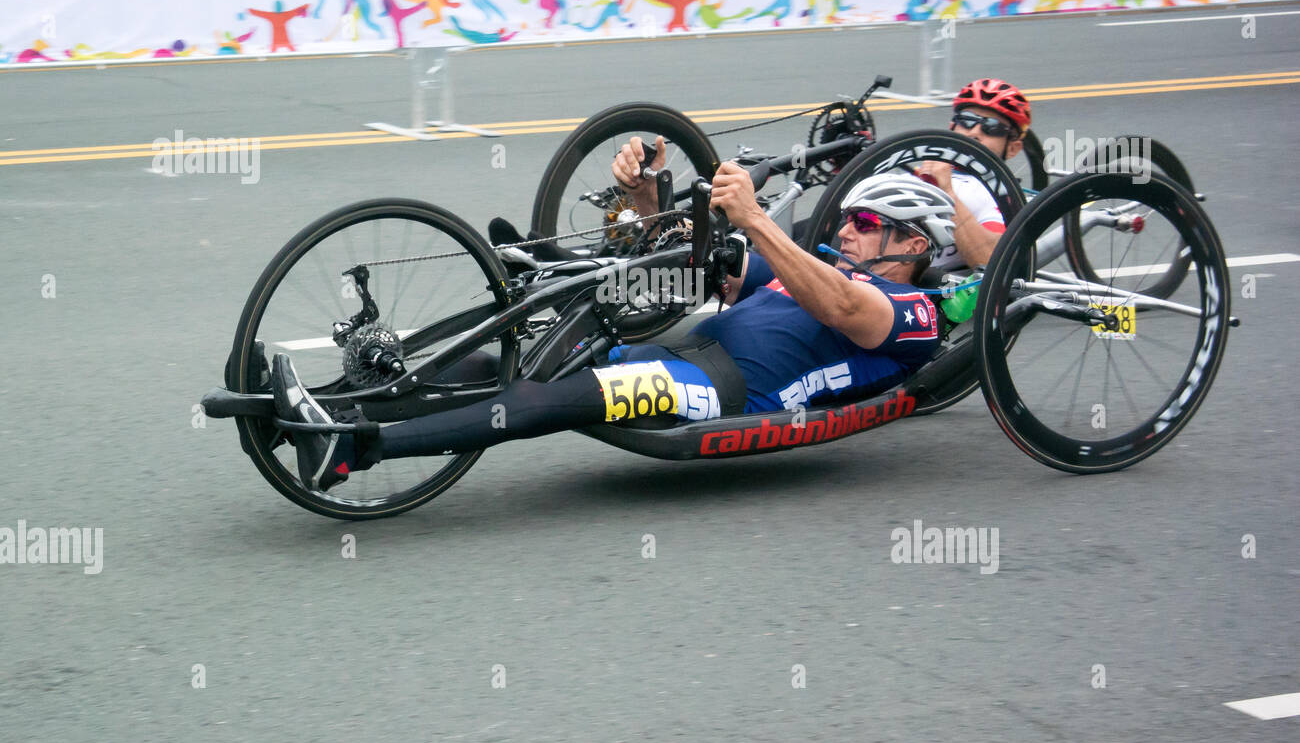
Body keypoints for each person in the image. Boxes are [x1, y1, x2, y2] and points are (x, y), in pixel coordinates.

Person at [270, 159, 955, 491]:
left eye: (868, 225)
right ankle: (325, 407)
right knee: (503, 364)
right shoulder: (822, 261)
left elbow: (841, 308)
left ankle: (357, 449)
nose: (849, 232)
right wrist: (647, 199)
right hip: (681, 349)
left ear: (916, 244)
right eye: (848, 221)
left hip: (722, 393)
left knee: (548, 400)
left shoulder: (913, 315)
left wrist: (758, 218)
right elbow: (706, 260)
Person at [916, 77, 1031, 271]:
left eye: (992, 127)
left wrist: (947, 192)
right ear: (952, 126)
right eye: (967, 120)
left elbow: (989, 260)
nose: (975, 133)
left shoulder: (1000, 197)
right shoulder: (923, 167)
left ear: (1012, 148)